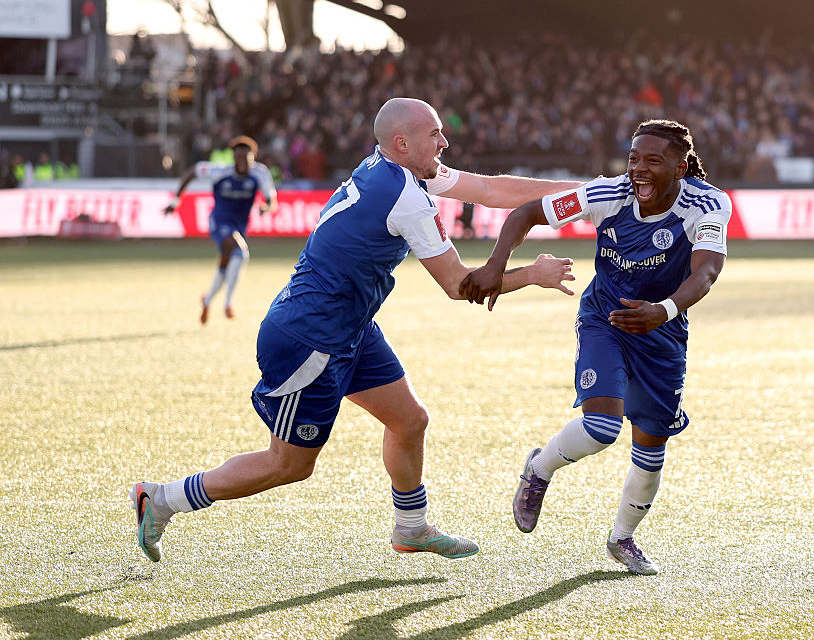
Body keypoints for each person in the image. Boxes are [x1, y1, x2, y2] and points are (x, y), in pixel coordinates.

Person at [133, 98, 581, 563]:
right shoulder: (406, 195)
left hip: (350, 327)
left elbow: (490, 189)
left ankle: (412, 528)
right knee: (289, 464)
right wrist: (532, 274)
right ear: (403, 143)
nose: (445, 143)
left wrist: (588, 193)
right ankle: (161, 499)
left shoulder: (393, 165)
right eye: (435, 135)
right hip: (311, 337)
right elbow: (458, 285)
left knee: (410, 420)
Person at [462, 119, 731, 575]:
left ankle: (622, 538)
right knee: (602, 428)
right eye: (633, 159)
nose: (639, 170)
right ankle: (539, 469)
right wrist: (495, 265)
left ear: (681, 167)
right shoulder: (606, 193)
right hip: (604, 319)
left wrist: (663, 310)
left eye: (653, 161)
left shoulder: (707, 203)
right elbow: (526, 214)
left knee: (651, 447)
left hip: (662, 332)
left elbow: (704, 272)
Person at [163, 135, 278, 323]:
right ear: (233, 158)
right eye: (238, 158)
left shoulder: (260, 173)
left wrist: (266, 207)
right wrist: (177, 200)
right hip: (219, 222)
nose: (242, 162)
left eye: (246, 158)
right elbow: (192, 172)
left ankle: (207, 300)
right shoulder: (220, 172)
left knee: (226, 263)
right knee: (241, 254)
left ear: (252, 158)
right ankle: (228, 304)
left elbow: (271, 201)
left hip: (240, 226)